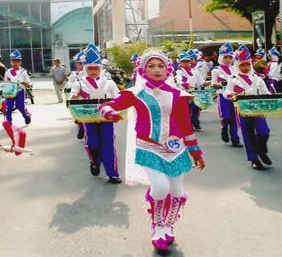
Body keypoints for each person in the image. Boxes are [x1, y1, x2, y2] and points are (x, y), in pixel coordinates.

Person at [98, 51, 205, 254]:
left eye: (161, 66)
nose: (157, 69)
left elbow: (185, 125)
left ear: (167, 69)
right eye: (152, 66)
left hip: (176, 149)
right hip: (148, 147)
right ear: (143, 70)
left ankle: (168, 225)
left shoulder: (177, 94)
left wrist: (196, 152)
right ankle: (157, 227)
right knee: (160, 187)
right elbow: (107, 104)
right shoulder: (135, 92)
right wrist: (111, 113)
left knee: (177, 192)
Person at [70, 48, 121, 183]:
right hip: (89, 117)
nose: (93, 72)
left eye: (96, 69)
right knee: (93, 143)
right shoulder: (79, 83)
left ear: (100, 69)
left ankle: (112, 173)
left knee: (108, 144)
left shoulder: (109, 83)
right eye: (90, 69)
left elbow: (118, 97)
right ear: (85, 69)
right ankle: (94, 161)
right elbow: (72, 98)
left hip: (106, 117)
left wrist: (118, 106)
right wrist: (74, 97)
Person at [224, 49, 272, 170]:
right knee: (248, 134)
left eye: (247, 64)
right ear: (237, 66)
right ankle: (253, 159)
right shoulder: (233, 79)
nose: (245, 67)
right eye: (242, 65)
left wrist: (271, 98)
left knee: (264, 132)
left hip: (258, 109)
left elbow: (266, 92)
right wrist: (231, 94)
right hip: (242, 110)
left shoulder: (257, 78)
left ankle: (261, 151)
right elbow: (226, 93)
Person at [211, 42, 242, 147]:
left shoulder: (235, 69)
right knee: (226, 117)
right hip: (222, 96)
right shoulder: (216, 70)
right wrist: (218, 85)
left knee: (234, 118)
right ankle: (224, 128)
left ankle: (235, 139)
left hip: (234, 96)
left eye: (230, 57)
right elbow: (213, 84)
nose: (228, 59)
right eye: (225, 57)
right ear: (221, 58)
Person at [175, 50, 206, 131]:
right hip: (185, 92)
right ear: (180, 63)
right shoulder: (180, 71)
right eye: (183, 62)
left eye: (187, 61)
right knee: (187, 110)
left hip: (195, 92)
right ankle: (189, 124)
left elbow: (200, 81)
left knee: (196, 108)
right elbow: (179, 80)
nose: (186, 63)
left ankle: (195, 122)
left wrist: (205, 83)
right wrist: (185, 84)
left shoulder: (195, 71)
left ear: (190, 62)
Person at [5, 50, 32, 124]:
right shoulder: (7, 72)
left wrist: (25, 83)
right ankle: (8, 122)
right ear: (11, 62)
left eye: (17, 61)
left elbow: (29, 84)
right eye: (13, 61)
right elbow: (6, 83)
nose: (15, 63)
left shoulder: (23, 72)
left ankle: (27, 116)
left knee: (20, 107)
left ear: (20, 62)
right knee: (9, 107)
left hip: (20, 91)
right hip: (10, 91)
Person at [66, 52, 86, 139]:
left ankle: (84, 128)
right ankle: (81, 127)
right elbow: (70, 84)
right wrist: (70, 89)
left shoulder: (88, 72)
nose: (79, 65)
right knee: (78, 114)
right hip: (76, 96)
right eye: (78, 63)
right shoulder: (73, 74)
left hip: (87, 96)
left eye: (81, 63)